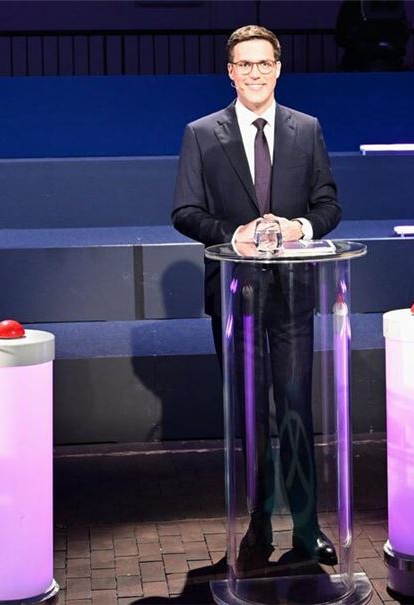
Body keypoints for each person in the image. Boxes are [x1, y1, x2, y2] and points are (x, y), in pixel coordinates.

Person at [172, 25, 342, 567]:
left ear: (278, 68)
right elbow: (185, 212)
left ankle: (308, 528)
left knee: (295, 407)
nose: (254, 73)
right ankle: (259, 522)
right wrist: (235, 234)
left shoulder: (306, 129)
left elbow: (329, 205)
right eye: (244, 64)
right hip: (234, 295)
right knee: (251, 414)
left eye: (263, 63)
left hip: (292, 294)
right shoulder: (202, 133)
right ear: (230, 72)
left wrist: (298, 228)